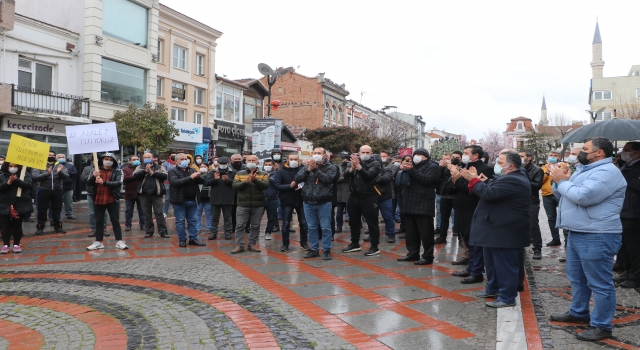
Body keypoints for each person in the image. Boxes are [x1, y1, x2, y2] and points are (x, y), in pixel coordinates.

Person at [547, 137, 626, 341]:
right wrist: (560, 181)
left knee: (599, 283)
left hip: (597, 234)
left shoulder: (607, 172)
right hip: (578, 231)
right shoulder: (584, 170)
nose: (579, 153)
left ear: (599, 153)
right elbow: (564, 194)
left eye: (584, 149)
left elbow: (584, 196)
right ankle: (579, 312)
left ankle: (602, 325)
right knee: (577, 277)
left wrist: (562, 182)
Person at [460, 150, 531, 308]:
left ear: (511, 166)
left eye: (500, 163)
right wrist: (481, 182)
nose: (496, 166)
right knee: (492, 264)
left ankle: (507, 297)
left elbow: (489, 194)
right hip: (494, 230)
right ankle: (493, 288)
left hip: (505, 231)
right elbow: (492, 190)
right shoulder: (506, 177)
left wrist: (474, 181)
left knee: (505, 265)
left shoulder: (515, 179)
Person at [448, 145, 494, 283]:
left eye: (466, 153)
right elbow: (453, 188)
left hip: (474, 209)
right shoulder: (463, 167)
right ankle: (470, 267)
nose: (463, 155)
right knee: (467, 240)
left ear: (476, 156)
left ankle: (477, 271)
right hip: (461, 208)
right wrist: (454, 179)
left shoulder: (485, 169)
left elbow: (476, 190)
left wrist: (458, 180)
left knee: (476, 243)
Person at [396, 149, 441, 264]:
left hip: (424, 204)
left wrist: (411, 170)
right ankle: (412, 253)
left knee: (426, 232)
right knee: (411, 232)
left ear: (426, 157)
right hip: (409, 202)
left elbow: (426, 180)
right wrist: (403, 171)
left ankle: (427, 256)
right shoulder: (411, 166)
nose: (416, 157)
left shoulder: (433, 167)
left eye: (420, 155)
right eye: (415, 155)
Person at [295, 148, 336, 259]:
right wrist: (308, 169)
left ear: (324, 155)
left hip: (324, 202)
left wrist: (315, 170)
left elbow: (327, 179)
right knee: (311, 227)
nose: (316, 155)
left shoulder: (331, 167)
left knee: (325, 228)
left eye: (319, 153)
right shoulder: (306, 167)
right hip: (308, 202)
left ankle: (326, 249)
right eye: (315, 153)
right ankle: (314, 249)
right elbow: (297, 178)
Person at [342, 145, 382, 256]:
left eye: (367, 152)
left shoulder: (375, 163)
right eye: (362, 152)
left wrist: (358, 166)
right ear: (359, 152)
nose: (365, 154)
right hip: (354, 196)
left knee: (372, 222)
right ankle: (354, 243)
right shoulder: (353, 162)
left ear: (371, 153)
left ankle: (374, 246)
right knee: (353, 222)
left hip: (369, 196)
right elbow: (345, 176)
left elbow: (368, 176)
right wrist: (352, 168)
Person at [86, 153, 128, 251]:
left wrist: (103, 182)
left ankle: (119, 241)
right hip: (98, 199)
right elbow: (88, 183)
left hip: (112, 199)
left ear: (113, 161)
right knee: (99, 221)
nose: (108, 161)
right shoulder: (95, 170)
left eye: (110, 159)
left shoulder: (118, 171)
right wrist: (93, 176)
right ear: (102, 160)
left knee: (115, 221)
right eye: (106, 159)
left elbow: (118, 183)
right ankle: (98, 241)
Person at [612, 142, 640, 288]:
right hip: (624, 211)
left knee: (635, 248)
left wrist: (621, 174)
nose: (623, 153)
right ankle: (628, 272)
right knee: (626, 246)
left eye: (627, 150)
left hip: (634, 213)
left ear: (637, 152)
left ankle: (636, 276)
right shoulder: (626, 165)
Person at [231, 155, 269, 253]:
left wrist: (254, 180)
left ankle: (252, 245)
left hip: (258, 204)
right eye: (249, 160)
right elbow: (235, 186)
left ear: (257, 162)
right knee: (240, 225)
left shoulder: (263, 174)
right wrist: (246, 182)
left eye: (253, 160)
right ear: (246, 162)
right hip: (242, 204)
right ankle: (239, 245)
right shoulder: (239, 173)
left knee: (255, 226)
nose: (251, 162)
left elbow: (265, 186)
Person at [273, 153, 310, 252]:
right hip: (287, 200)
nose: (293, 161)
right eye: (291, 159)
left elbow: (308, 182)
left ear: (298, 160)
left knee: (303, 222)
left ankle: (304, 242)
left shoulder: (303, 170)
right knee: (285, 223)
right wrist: (289, 186)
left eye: (295, 159)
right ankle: (285, 243)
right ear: (287, 160)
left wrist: (302, 187)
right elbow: (277, 185)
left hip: (301, 199)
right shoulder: (281, 172)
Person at [169, 153, 207, 247]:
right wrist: (191, 177)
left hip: (193, 200)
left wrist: (199, 176)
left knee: (193, 220)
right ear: (177, 161)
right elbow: (175, 182)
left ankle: (193, 239)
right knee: (180, 221)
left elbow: (203, 181)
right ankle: (182, 239)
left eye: (186, 159)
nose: (185, 161)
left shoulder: (192, 169)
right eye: (182, 159)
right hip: (179, 201)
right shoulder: (173, 171)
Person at [32, 151, 68, 235]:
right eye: (49, 155)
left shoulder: (60, 165)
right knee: (42, 210)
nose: (51, 156)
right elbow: (35, 177)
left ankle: (57, 226)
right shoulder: (39, 165)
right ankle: (40, 227)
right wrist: (47, 173)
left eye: (53, 155)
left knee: (57, 209)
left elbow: (66, 176)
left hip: (57, 190)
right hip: (43, 190)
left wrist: (60, 172)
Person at [134, 152, 169, 238]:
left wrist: (152, 173)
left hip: (156, 194)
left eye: (148, 157)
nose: (146, 158)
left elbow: (164, 176)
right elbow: (135, 176)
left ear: (153, 158)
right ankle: (149, 231)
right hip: (144, 194)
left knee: (159, 213)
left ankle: (163, 231)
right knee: (146, 213)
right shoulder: (139, 167)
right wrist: (145, 171)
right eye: (145, 157)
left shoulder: (160, 167)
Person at [0, 162, 32, 254]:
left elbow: (28, 185)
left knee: (17, 225)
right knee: (5, 226)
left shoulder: (24, 174)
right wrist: (8, 183)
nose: (13, 168)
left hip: (19, 203)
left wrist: (17, 180)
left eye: (15, 166)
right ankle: (6, 245)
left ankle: (16, 244)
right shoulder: (2, 176)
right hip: (4, 203)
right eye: (11, 166)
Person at [519, 150, 544, 260]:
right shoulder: (516, 169)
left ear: (529, 158)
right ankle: (521, 246)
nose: (519, 158)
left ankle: (537, 248)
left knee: (533, 224)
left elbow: (537, 185)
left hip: (531, 200)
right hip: (518, 201)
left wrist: (522, 180)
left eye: (521, 156)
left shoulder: (537, 170)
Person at [205, 157, 236, 240]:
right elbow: (207, 183)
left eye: (224, 163)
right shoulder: (212, 172)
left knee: (227, 217)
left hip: (228, 198)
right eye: (221, 164)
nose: (222, 165)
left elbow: (236, 184)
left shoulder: (233, 172)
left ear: (228, 163)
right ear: (218, 163)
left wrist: (228, 180)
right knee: (214, 217)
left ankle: (227, 233)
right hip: (215, 198)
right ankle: (213, 233)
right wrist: (214, 179)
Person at [541, 150, 566, 246]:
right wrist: (547, 173)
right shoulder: (543, 168)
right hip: (547, 195)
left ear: (559, 157)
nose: (552, 157)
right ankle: (555, 239)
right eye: (551, 155)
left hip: (560, 194)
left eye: (555, 155)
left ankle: (567, 241)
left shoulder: (564, 166)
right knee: (551, 218)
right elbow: (541, 181)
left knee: (564, 217)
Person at [435, 151, 460, 244]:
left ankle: (459, 235)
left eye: (456, 157)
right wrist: (442, 167)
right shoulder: (444, 168)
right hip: (445, 195)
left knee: (458, 216)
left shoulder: (461, 167)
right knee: (443, 217)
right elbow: (437, 178)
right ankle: (442, 236)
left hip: (456, 196)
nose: (453, 159)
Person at [81, 160, 109, 237]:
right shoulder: (87, 168)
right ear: (93, 160)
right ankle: (94, 229)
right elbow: (83, 178)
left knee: (104, 213)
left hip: (102, 193)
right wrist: (93, 174)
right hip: (91, 193)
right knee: (92, 213)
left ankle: (103, 228)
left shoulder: (105, 168)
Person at [377, 151, 399, 243]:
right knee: (372, 217)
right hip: (373, 195)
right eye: (380, 156)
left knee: (388, 216)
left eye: (384, 156)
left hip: (386, 194)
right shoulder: (373, 168)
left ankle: (391, 233)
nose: (382, 158)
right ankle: (372, 234)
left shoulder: (391, 167)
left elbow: (387, 178)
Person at [122, 155, 145, 232]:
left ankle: (143, 224)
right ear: (130, 161)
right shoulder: (125, 169)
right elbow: (125, 178)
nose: (136, 161)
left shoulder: (142, 168)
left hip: (140, 192)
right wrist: (135, 175)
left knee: (141, 210)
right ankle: (128, 225)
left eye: (137, 159)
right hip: (129, 192)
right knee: (129, 210)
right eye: (133, 159)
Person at [56, 153, 78, 220]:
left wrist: (68, 172)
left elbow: (75, 173)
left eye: (63, 157)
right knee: (57, 202)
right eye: (59, 157)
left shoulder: (70, 166)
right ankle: (57, 215)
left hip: (68, 186)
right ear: (56, 158)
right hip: (57, 187)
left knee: (68, 201)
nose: (61, 158)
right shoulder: (55, 166)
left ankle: (69, 214)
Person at [230, 153, 247, 234]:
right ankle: (233, 226)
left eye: (239, 159)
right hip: (232, 192)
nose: (237, 161)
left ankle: (247, 226)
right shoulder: (229, 168)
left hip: (244, 191)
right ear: (231, 160)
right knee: (233, 211)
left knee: (246, 210)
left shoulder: (246, 167)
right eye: (235, 159)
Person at [262, 159, 279, 241]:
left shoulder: (277, 174)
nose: (267, 166)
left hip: (272, 199)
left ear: (273, 165)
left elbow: (277, 183)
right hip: (260, 199)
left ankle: (268, 233)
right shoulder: (259, 173)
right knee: (257, 217)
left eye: (269, 164)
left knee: (272, 218)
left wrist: (268, 178)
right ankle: (254, 233)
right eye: (266, 164)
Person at [195, 163, 212, 236]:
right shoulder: (197, 176)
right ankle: (198, 228)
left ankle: (209, 228)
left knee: (209, 214)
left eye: (204, 166)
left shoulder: (211, 175)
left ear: (208, 168)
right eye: (201, 167)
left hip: (208, 198)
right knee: (198, 214)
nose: (203, 168)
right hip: (199, 198)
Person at [335, 153, 350, 233]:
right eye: (344, 159)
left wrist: (343, 177)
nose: (345, 161)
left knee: (351, 211)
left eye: (347, 160)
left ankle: (354, 225)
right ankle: (339, 226)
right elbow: (335, 179)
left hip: (348, 193)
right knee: (339, 211)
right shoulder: (338, 168)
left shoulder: (351, 168)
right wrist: (343, 177)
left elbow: (348, 178)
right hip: (339, 194)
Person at [161, 153, 176, 217]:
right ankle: (165, 212)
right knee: (167, 198)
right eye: (172, 155)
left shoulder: (178, 163)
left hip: (175, 182)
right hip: (167, 183)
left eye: (175, 155)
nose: (174, 157)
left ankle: (176, 212)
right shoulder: (165, 163)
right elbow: (164, 172)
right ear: (170, 156)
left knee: (176, 198)